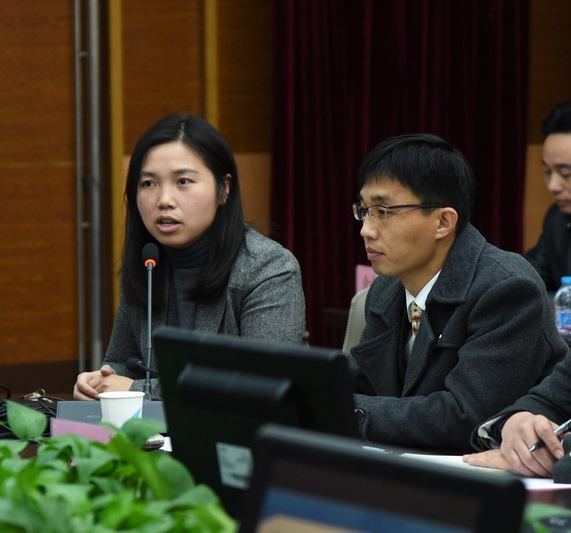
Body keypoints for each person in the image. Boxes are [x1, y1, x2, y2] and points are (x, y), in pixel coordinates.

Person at [348, 133, 566, 452]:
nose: (366, 229)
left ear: (443, 222)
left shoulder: (506, 289)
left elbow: (465, 418)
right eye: (364, 210)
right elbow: (362, 381)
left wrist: (347, 410)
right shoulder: (386, 288)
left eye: (383, 211)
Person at [73, 114, 307, 401]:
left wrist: (136, 391)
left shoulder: (267, 268)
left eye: (183, 181)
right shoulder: (148, 264)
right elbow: (122, 364)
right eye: (148, 183)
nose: (164, 200)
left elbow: (264, 384)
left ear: (224, 189)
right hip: (155, 430)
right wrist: (97, 382)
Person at [525, 101, 571, 293]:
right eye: (547, 172)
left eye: (566, 174)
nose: (552, 186)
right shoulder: (557, 220)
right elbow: (527, 278)